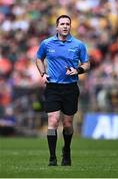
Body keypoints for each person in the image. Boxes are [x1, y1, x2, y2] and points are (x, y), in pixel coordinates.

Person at [35, 15, 90, 166]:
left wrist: (78, 70)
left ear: (70, 26)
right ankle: (52, 158)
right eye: (62, 24)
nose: (65, 26)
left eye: (67, 24)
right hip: (52, 87)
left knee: (67, 124)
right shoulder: (47, 43)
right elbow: (38, 58)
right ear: (57, 27)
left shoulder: (79, 45)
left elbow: (86, 64)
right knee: (53, 120)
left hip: (70, 88)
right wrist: (43, 73)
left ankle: (66, 149)